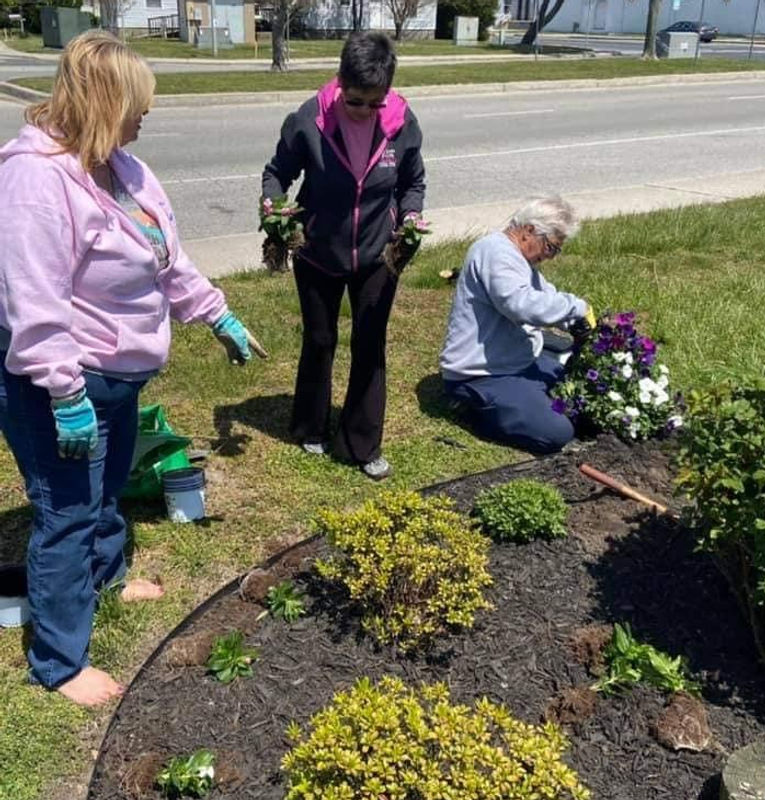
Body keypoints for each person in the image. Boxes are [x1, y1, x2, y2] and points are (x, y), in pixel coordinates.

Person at [0, 31, 265, 707]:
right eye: (137, 105)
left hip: (117, 376)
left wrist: (216, 314)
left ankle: (108, 575)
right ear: (104, 101)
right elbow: (33, 300)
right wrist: (64, 392)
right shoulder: (34, 179)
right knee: (66, 508)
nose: (146, 117)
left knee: (109, 484)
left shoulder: (121, 167)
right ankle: (58, 661)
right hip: (61, 380)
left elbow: (164, 257)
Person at [261, 31, 426, 480]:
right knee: (320, 339)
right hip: (317, 252)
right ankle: (310, 425)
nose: (367, 111)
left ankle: (361, 442)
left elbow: (412, 183)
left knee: (370, 345)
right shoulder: (309, 120)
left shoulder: (401, 122)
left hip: (379, 253)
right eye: (356, 101)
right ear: (340, 83)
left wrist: (409, 219)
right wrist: (276, 214)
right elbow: (277, 175)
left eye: (376, 102)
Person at [439, 197, 595, 454]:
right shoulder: (496, 253)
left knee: (577, 395)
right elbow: (520, 304)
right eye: (551, 248)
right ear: (529, 231)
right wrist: (576, 307)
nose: (550, 257)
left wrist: (574, 322)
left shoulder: (520, 259)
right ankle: (474, 410)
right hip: (481, 375)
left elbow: (543, 295)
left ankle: (521, 399)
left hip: (515, 362)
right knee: (558, 432)